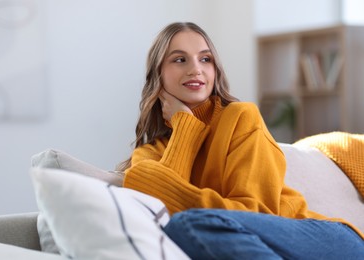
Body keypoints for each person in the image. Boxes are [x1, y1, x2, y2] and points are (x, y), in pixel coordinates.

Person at [117, 22, 364, 259]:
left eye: (205, 59)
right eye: (179, 60)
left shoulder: (240, 117)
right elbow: (151, 199)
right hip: (242, 247)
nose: (196, 69)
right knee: (182, 229)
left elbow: (257, 214)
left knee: (188, 224)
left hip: (321, 239)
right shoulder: (148, 155)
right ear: (158, 73)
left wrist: (175, 194)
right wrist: (185, 127)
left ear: (216, 70)